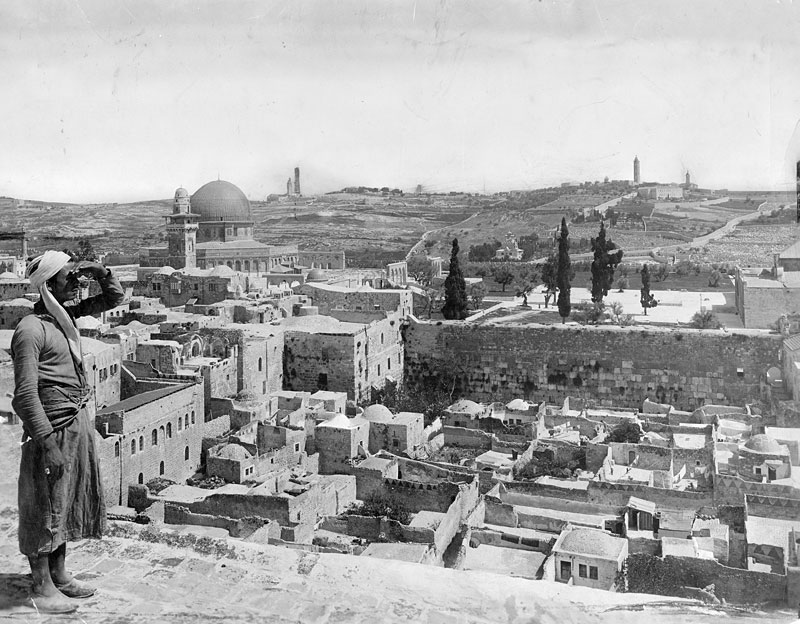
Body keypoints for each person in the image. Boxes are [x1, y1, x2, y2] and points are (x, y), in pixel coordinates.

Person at [11, 250, 124, 614]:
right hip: (52, 431)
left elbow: (113, 299)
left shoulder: (62, 318)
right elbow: (25, 395)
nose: (75, 283)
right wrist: (47, 443)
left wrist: (100, 271)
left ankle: (58, 575)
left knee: (65, 500)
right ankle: (41, 587)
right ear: (48, 285)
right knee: (44, 506)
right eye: (68, 278)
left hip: (74, 424)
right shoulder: (31, 330)